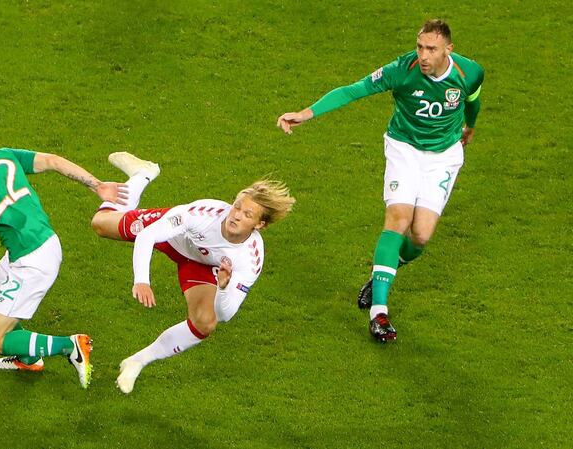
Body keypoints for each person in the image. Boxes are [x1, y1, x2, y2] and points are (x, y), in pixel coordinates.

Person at [276, 19, 484, 342]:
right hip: (404, 150)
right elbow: (355, 89)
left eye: (432, 49)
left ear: (449, 50)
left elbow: (473, 100)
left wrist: (469, 126)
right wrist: (306, 113)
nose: (424, 55)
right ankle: (379, 313)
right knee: (398, 220)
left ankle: (383, 273)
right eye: (420, 46)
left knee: (421, 237)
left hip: (443, 156)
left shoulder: (469, 72)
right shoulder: (402, 70)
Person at [0, 128, 128, 388]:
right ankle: (30, 358)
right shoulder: (3, 154)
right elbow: (53, 161)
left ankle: (70, 345)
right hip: (35, 245)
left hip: (32, 261)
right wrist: (97, 184)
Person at [90, 152, 295, 393]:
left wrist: (223, 288)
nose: (236, 215)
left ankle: (137, 361)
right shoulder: (203, 214)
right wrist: (142, 281)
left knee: (205, 322)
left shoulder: (250, 258)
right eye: (237, 206)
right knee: (101, 224)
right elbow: (148, 235)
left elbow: (225, 314)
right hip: (172, 236)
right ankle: (143, 174)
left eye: (247, 214)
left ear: (260, 225)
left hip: (201, 265)